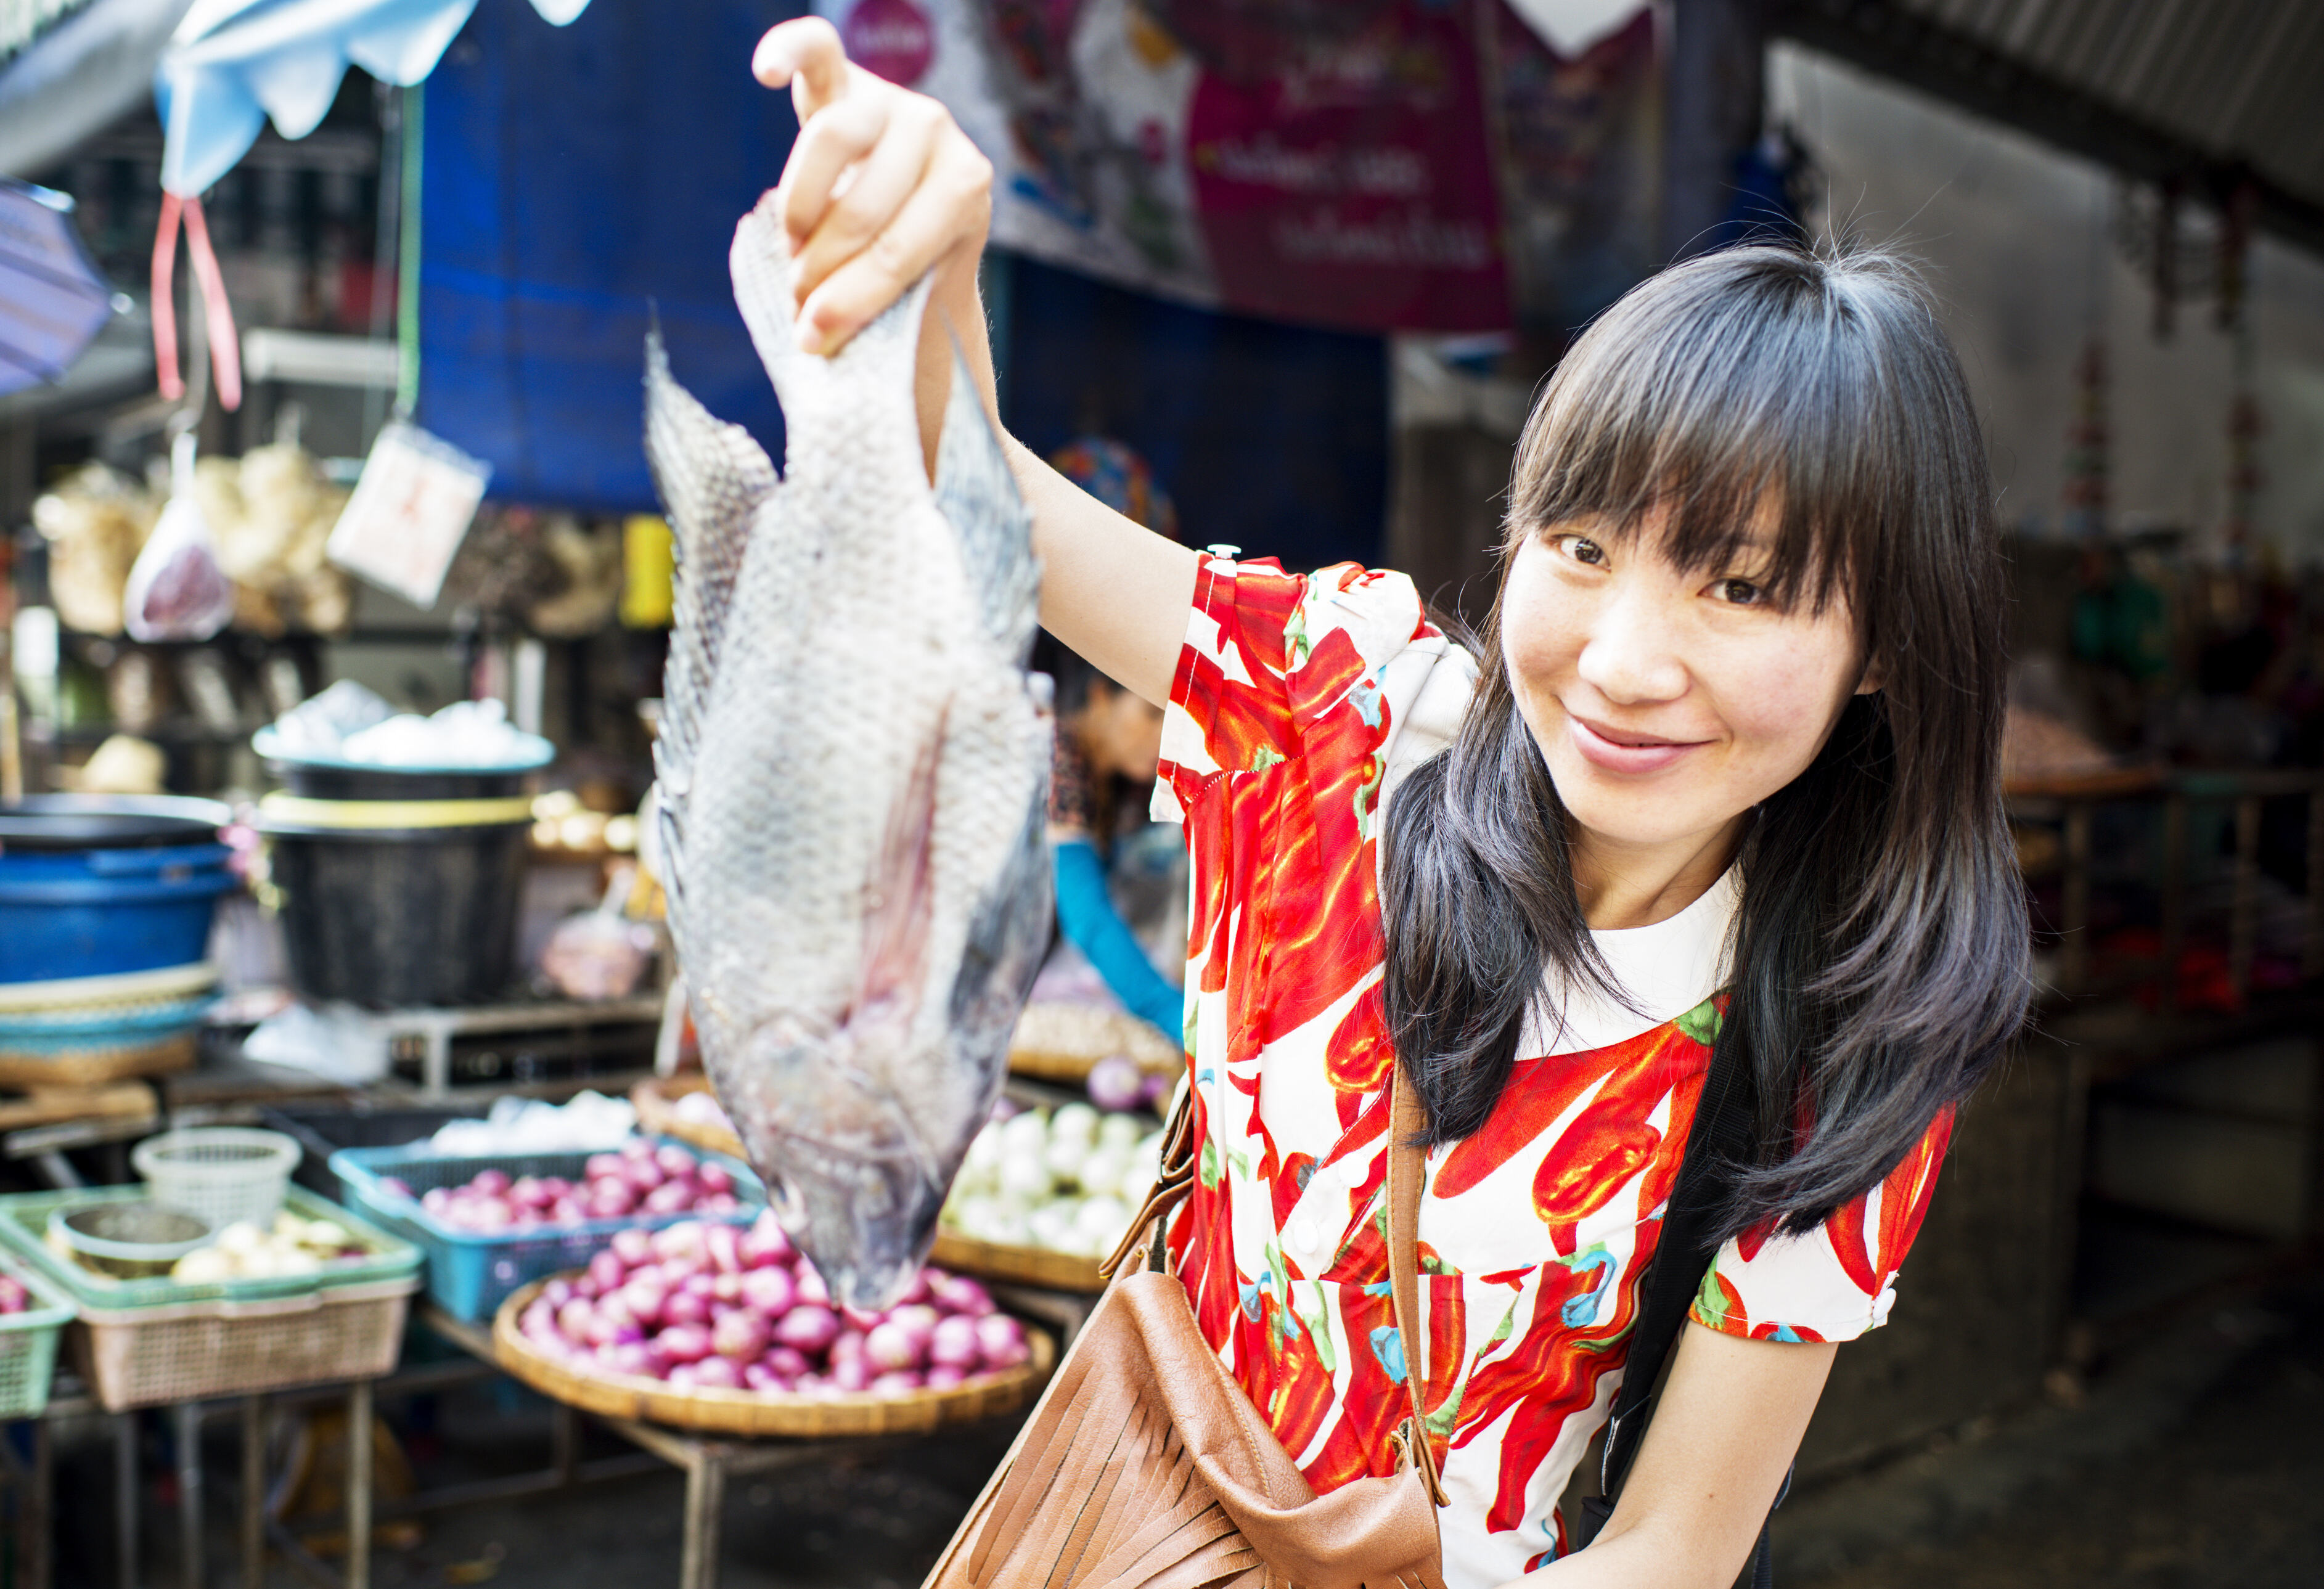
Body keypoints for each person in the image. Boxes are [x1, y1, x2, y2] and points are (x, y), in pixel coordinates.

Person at [748, 18, 2029, 1588]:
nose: (1623, 663)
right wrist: (929, 265)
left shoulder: (1846, 1031)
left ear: (1885, 646)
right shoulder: (1349, 712)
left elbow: (1673, 1551)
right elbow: (976, 498)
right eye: (1580, 546)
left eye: (1743, 585)